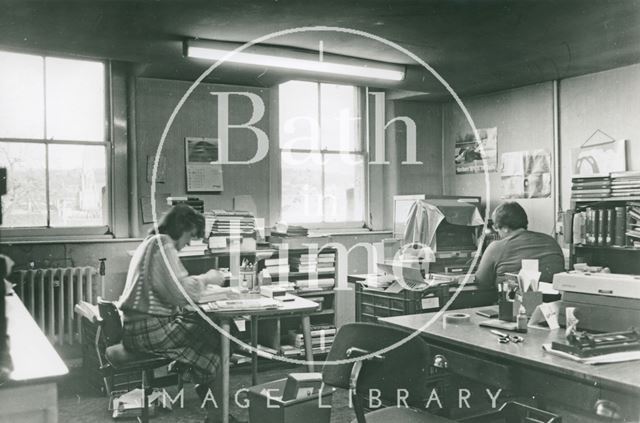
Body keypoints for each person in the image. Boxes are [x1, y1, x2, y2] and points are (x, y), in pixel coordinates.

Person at [118, 204, 226, 420]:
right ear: (181, 227)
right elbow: (181, 292)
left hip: (136, 327)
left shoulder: (150, 242)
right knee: (219, 340)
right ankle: (216, 415)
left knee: (206, 336)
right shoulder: (164, 245)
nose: (187, 243)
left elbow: (168, 292)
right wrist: (207, 278)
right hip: (149, 330)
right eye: (190, 236)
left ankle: (191, 373)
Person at [475, 202, 565, 290]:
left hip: (512, 303)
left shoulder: (497, 247)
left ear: (505, 228)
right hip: (552, 302)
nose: (497, 232)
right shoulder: (551, 241)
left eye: (496, 228)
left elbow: (482, 282)